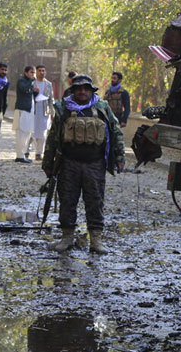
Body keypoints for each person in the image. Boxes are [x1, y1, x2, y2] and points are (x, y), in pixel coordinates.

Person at [43, 74, 125, 254]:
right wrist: (48, 163)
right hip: (68, 164)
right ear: (73, 91)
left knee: (95, 201)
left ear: (91, 90)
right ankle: (66, 238)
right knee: (67, 201)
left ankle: (96, 240)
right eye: (78, 88)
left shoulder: (102, 108)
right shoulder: (63, 108)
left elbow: (116, 131)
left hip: (95, 164)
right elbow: (53, 137)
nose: (82, 91)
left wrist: (119, 157)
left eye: (85, 88)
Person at [13, 66, 38, 163]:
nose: (33, 74)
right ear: (26, 72)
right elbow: (24, 89)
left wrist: (36, 91)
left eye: (34, 72)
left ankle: (22, 154)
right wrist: (31, 83)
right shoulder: (21, 80)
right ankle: (19, 156)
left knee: (28, 133)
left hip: (29, 110)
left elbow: (31, 94)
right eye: (31, 72)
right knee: (21, 133)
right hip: (21, 110)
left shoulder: (30, 82)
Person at [31, 65, 54, 161]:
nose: (42, 72)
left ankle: (39, 153)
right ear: (36, 72)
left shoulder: (48, 84)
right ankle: (28, 151)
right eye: (39, 71)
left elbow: (51, 99)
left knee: (43, 133)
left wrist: (52, 111)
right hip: (33, 111)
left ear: (46, 72)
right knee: (32, 132)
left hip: (44, 111)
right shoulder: (32, 83)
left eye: (43, 71)